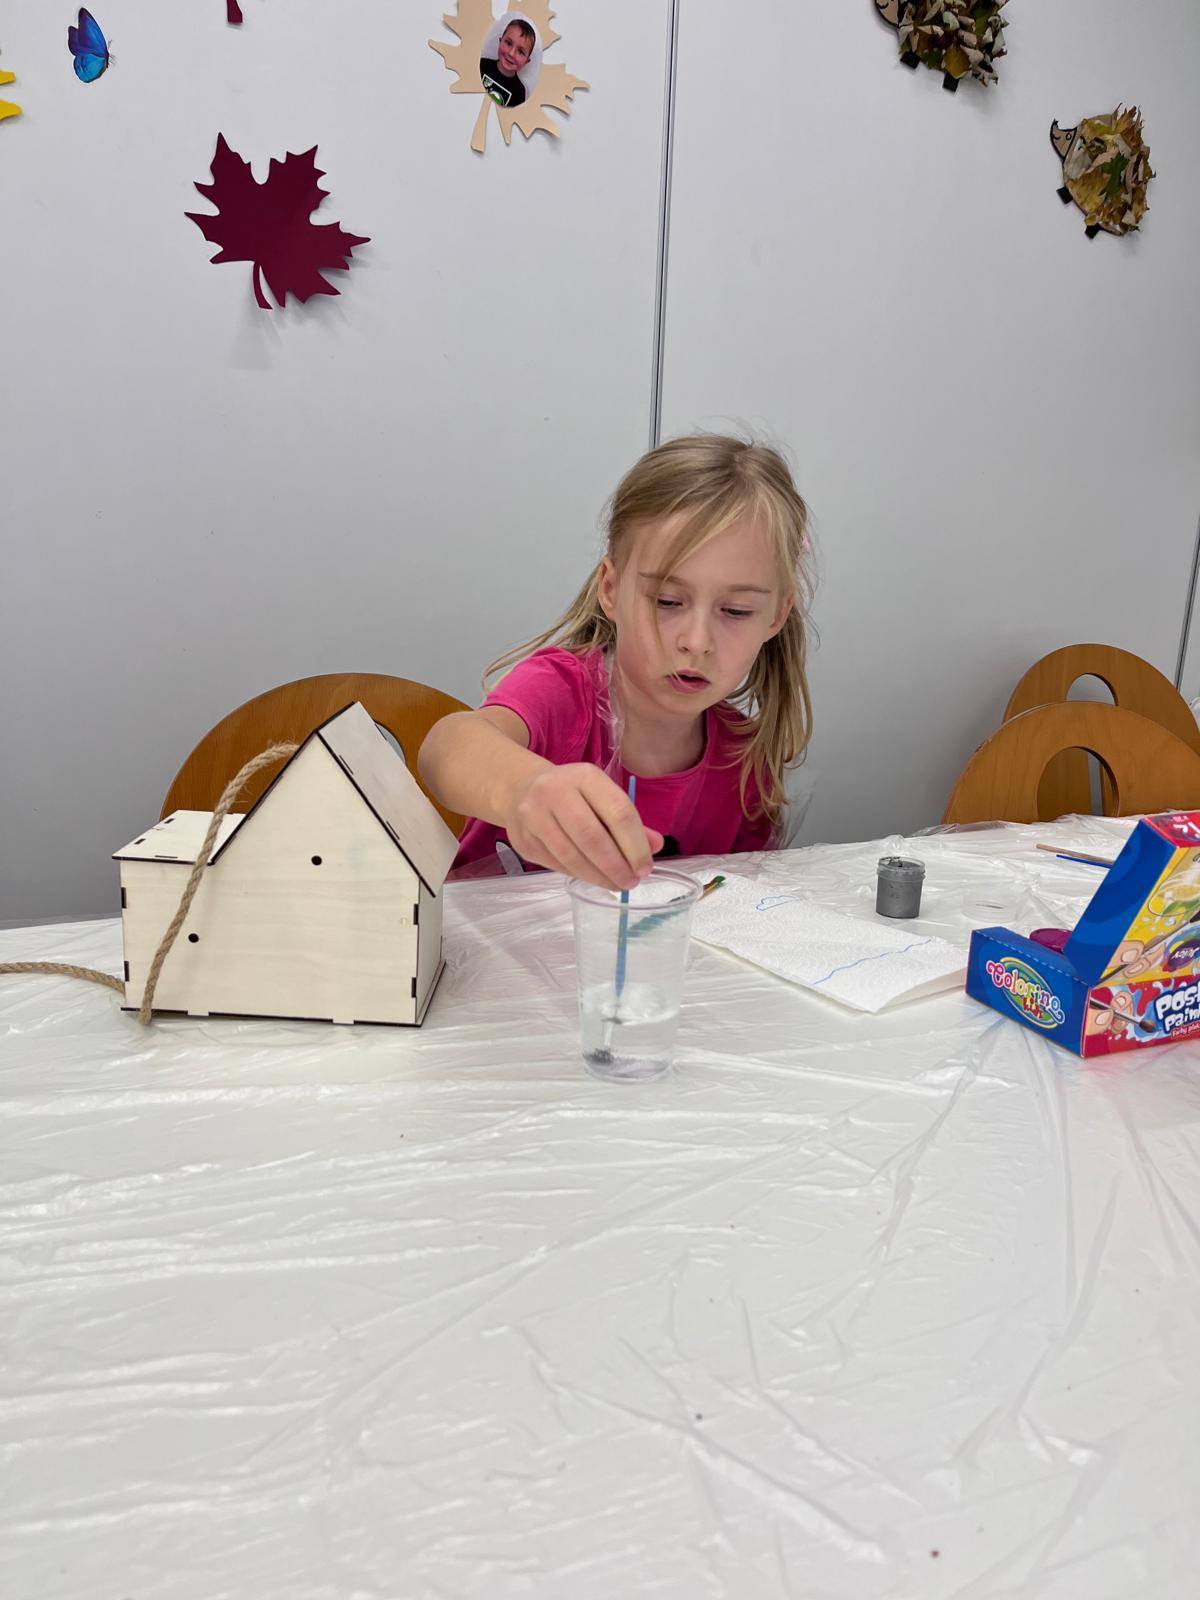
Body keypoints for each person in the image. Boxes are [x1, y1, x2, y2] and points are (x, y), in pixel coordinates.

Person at [419, 434, 815, 891]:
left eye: (736, 611)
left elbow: (740, 902)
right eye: (667, 601)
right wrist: (525, 788)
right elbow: (446, 748)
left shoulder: (745, 762)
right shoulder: (561, 692)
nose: (696, 642)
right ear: (610, 588)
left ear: (776, 616)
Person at [479, 17, 536, 109]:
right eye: (508, 43)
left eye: (520, 51)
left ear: (526, 61)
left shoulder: (519, 92)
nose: (511, 53)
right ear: (500, 41)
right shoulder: (481, 65)